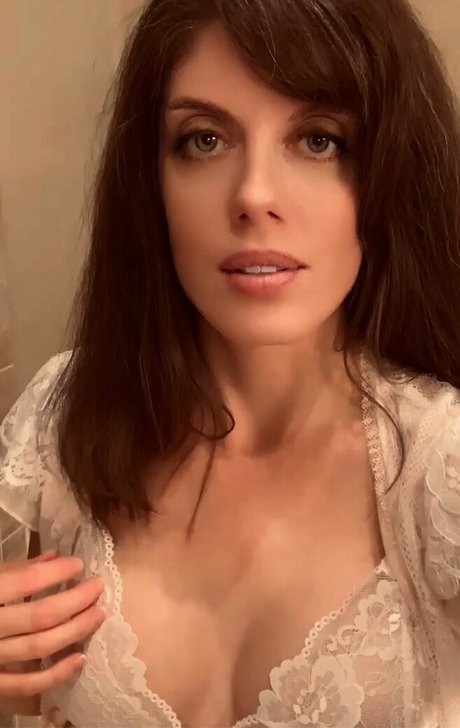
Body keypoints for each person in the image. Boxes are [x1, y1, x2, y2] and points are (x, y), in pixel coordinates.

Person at [1, 0, 460, 725]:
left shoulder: (442, 466)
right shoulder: (64, 414)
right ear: (150, 181)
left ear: (388, 175)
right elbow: (32, 698)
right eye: (205, 140)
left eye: (318, 140)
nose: (253, 196)